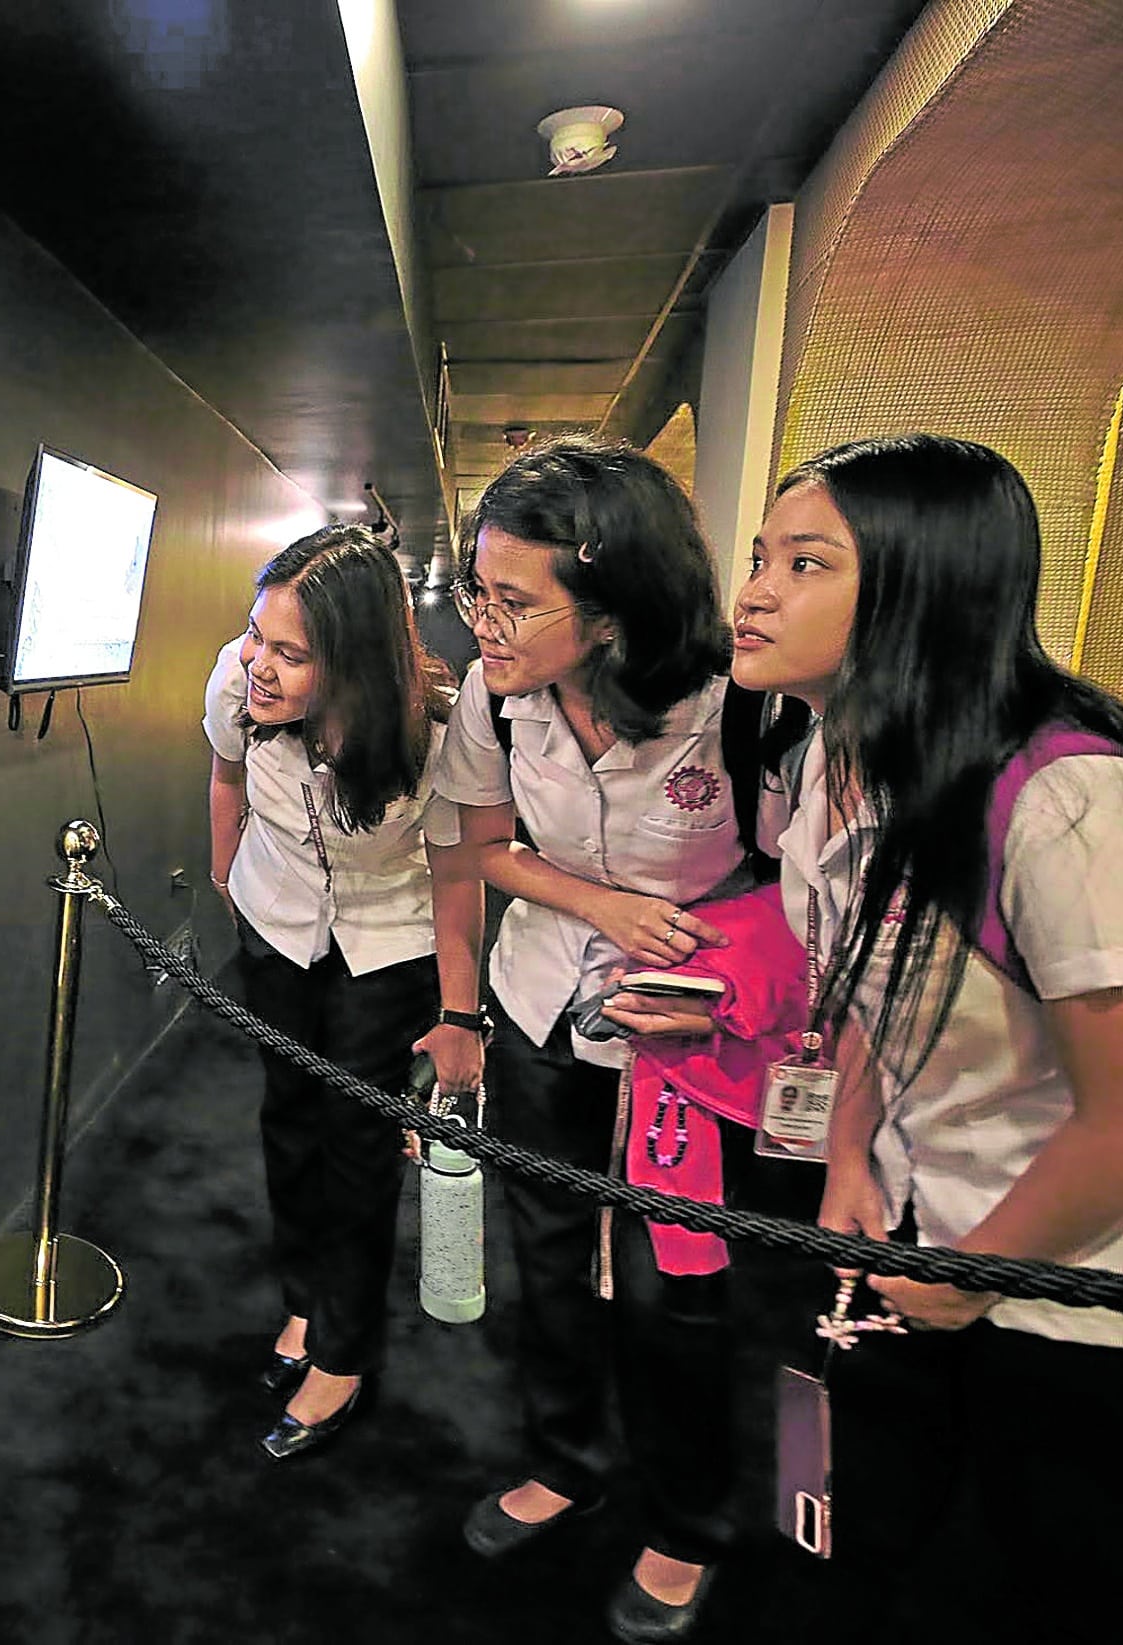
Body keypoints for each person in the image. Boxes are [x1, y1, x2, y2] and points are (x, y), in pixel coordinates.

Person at [730, 434, 1123, 1634]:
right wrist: (847, 1153)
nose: (749, 591)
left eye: (805, 563)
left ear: (925, 587)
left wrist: (976, 1271)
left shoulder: (1064, 797)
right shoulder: (830, 754)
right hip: (915, 1234)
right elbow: (862, 987)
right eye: (759, 557)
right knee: (875, 1536)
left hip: (1060, 1296)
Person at [429, 434, 775, 1643]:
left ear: (614, 605)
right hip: (539, 1005)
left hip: (688, 1045)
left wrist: (697, 952)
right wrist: (591, 910)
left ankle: (684, 1521)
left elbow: (796, 884)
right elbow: (478, 847)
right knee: (549, 1250)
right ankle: (565, 1456)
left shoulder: (741, 702)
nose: (485, 622)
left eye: (514, 600)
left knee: (676, 1285)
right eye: (479, 589)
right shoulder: (493, 693)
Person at [203, 523, 485, 1460]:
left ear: (356, 663)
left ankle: (345, 1348)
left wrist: (457, 1012)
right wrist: (223, 872)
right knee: (287, 1115)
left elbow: (458, 876)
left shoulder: (435, 735)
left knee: (355, 1139)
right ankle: (302, 1299)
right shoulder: (235, 683)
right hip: (275, 920)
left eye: (291, 653)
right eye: (257, 636)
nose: (259, 665)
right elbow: (225, 770)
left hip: (384, 943)